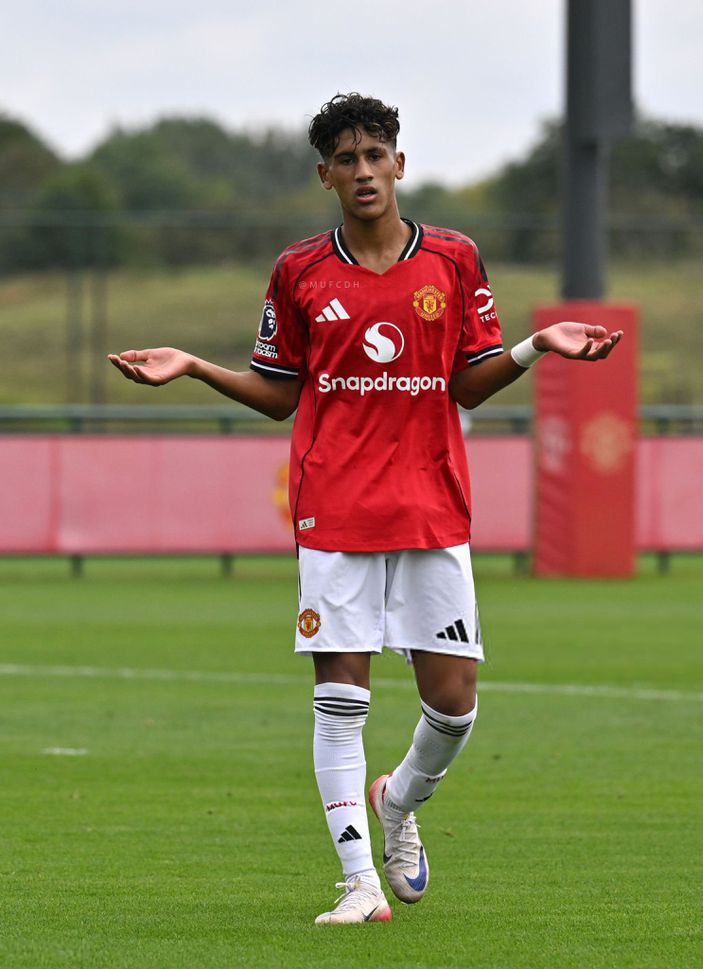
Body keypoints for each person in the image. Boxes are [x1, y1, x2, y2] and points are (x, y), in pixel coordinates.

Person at [109, 92, 622, 925]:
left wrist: (537, 346)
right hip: (336, 508)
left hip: (430, 505)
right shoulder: (299, 270)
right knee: (341, 699)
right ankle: (359, 883)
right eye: (346, 160)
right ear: (326, 176)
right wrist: (197, 366)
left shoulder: (453, 258)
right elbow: (279, 393)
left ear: (399, 164)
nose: (364, 172)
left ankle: (398, 801)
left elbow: (468, 383)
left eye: (375, 156)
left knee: (454, 705)